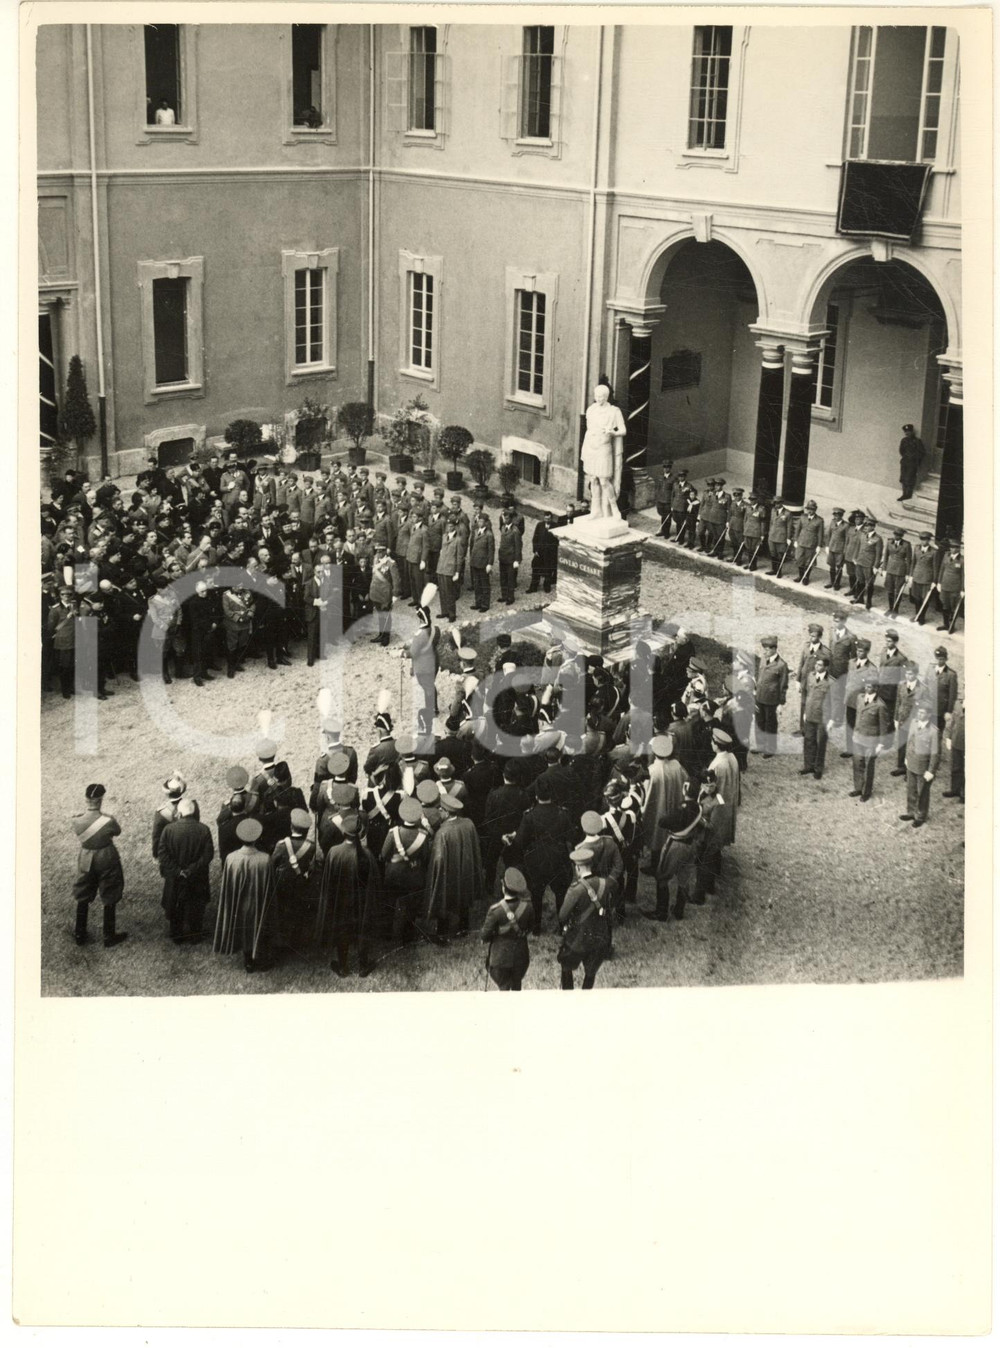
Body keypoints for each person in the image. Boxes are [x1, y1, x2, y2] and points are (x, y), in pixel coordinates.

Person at [316, 813, 379, 976]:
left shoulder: (334, 852)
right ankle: (363, 965)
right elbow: (375, 882)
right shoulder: (367, 854)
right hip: (361, 903)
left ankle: (343, 967)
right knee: (361, 929)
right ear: (360, 832)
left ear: (343, 832)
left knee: (342, 930)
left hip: (341, 900)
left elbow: (328, 880)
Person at [214, 817, 276, 972]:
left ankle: (248, 959)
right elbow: (270, 886)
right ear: (257, 838)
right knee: (257, 926)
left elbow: (228, 885)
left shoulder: (231, 858)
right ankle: (257, 956)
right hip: (257, 901)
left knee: (243, 927)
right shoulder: (265, 859)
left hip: (239, 902)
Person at [71, 783, 128, 948]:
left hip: (86, 858)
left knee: (83, 893)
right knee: (110, 892)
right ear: (100, 800)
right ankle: (109, 936)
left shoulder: (76, 820)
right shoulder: (108, 821)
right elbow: (117, 831)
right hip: (106, 858)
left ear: (86, 799)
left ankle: (80, 934)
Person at [425, 794, 484, 937]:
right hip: (465, 869)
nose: (439, 812)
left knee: (444, 895)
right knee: (464, 895)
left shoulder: (442, 832)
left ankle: (442, 931)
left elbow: (438, 859)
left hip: (449, 872)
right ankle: (463, 928)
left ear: (446, 812)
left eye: (440, 809)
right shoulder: (469, 823)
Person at [157, 798, 214, 943]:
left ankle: (176, 935)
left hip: (176, 877)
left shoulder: (168, 830)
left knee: (175, 902)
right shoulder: (204, 829)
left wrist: (178, 871)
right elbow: (208, 855)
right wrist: (191, 869)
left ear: (180, 813)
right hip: (197, 876)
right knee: (196, 904)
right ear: (193, 812)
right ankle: (195, 935)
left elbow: (162, 854)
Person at [557, 846, 615, 988]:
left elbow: (562, 916)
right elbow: (609, 908)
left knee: (566, 965)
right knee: (591, 972)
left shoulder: (575, 890)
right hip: (599, 938)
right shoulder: (604, 884)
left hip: (577, 939)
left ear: (577, 868)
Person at [481, 868, 534, 991]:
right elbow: (530, 928)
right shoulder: (528, 907)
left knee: (503, 989)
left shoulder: (495, 910)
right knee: (517, 986)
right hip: (521, 958)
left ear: (503, 888)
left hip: (500, 960)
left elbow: (484, 936)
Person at [642, 734, 689, 868]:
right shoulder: (677, 766)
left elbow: (645, 793)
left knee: (657, 835)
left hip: (657, 809)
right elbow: (686, 781)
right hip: (674, 805)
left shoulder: (651, 771)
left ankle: (655, 866)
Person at [581, 382, 626, 519]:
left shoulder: (614, 411)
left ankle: (614, 508)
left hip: (604, 448)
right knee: (593, 479)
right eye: (597, 396)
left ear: (606, 397)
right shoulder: (591, 410)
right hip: (591, 447)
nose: (599, 399)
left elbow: (623, 430)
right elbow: (589, 429)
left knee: (604, 481)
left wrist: (613, 432)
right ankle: (596, 510)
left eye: (601, 396)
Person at [849, 673, 891, 803]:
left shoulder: (880, 705)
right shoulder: (860, 698)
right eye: (866, 686)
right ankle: (858, 787)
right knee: (857, 763)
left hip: (871, 741)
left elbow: (883, 726)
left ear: (876, 688)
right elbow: (858, 716)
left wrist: (881, 744)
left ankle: (866, 792)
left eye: (870, 687)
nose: (867, 688)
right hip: (858, 738)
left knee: (868, 766)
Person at [899, 700, 941, 829]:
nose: (919, 714)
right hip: (911, 762)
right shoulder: (913, 723)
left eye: (922, 713)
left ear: (928, 715)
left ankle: (920, 816)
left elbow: (935, 753)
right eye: (919, 712)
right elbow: (909, 742)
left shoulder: (933, 731)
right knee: (911, 789)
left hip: (923, 767)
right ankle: (911, 812)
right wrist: (906, 758)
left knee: (922, 793)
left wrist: (931, 771)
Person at [800, 654, 835, 780]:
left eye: (819, 665)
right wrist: (805, 712)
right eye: (816, 664)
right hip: (810, 714)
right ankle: (808, 765)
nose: (816, 666)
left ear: (826, 667)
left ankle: (818, 768)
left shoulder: (831, 682)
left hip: (823, 718)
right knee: (808, 740)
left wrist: (832, 720)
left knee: (820, 743)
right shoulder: (811, 676)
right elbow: (807, 694)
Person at [754, 636, 788, 757]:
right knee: (759, 722)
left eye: (767, 649)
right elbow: (760, 677)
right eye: (764, 649)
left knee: (770, 724)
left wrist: (781, 703)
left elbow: (783, 685)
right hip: (760, 697)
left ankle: (770, 748)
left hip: (772, 700)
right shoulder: (763, 660)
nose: (765, 652)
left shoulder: (781, 665)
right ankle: (760, 745)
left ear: (774, 649)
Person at [527, 512, 559, 593]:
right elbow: (535, 538)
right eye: (545, 518)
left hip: (549, 553)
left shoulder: (556, 526)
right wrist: (535, 550)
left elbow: (557, 541)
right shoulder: (539, 525)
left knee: (548, 570)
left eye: (548, 519)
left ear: (551, 518)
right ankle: (533, 587)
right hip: (539, 552)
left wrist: (553, 552)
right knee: (535, 569)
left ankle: (546, 586)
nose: (547, 520)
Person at [943, 698, 965, 804]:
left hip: (967, 743)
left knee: (967, 769)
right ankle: (955, 789)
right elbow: (952, 722)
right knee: (956, 766)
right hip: (956, 740)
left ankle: (964, 794)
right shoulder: (957, 703)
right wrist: (949, 737)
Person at [897, 423, 925, 501]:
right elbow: (901, 451)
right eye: (905, 432)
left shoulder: (917, 441)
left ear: (912, 431)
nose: (907, 433)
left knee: (909, 478)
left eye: (908, 431)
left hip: (912, 464)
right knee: (903, 478)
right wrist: (906, 457)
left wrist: (915, 460)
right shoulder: (904, 440)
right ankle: (904, 494)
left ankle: (908, 494)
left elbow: (922, 452)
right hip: (905, 462)